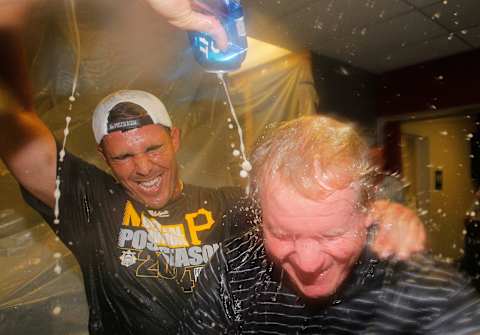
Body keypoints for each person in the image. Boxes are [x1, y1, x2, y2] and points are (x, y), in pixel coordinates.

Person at [0, 1, 426, 334]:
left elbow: (305, 216)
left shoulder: (224, 204)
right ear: (105, 159)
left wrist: (381, 213)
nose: (143, 167)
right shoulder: (89, 203)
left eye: (152, 148)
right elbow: (14, 118)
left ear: (175, 140)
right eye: (123, 156)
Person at [179, 115, 480, 334]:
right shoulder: (233, 268)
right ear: (260, 215)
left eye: (332, 234)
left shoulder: (415, 283)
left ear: (368, 211)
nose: (308, 264)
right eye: (282, 233)